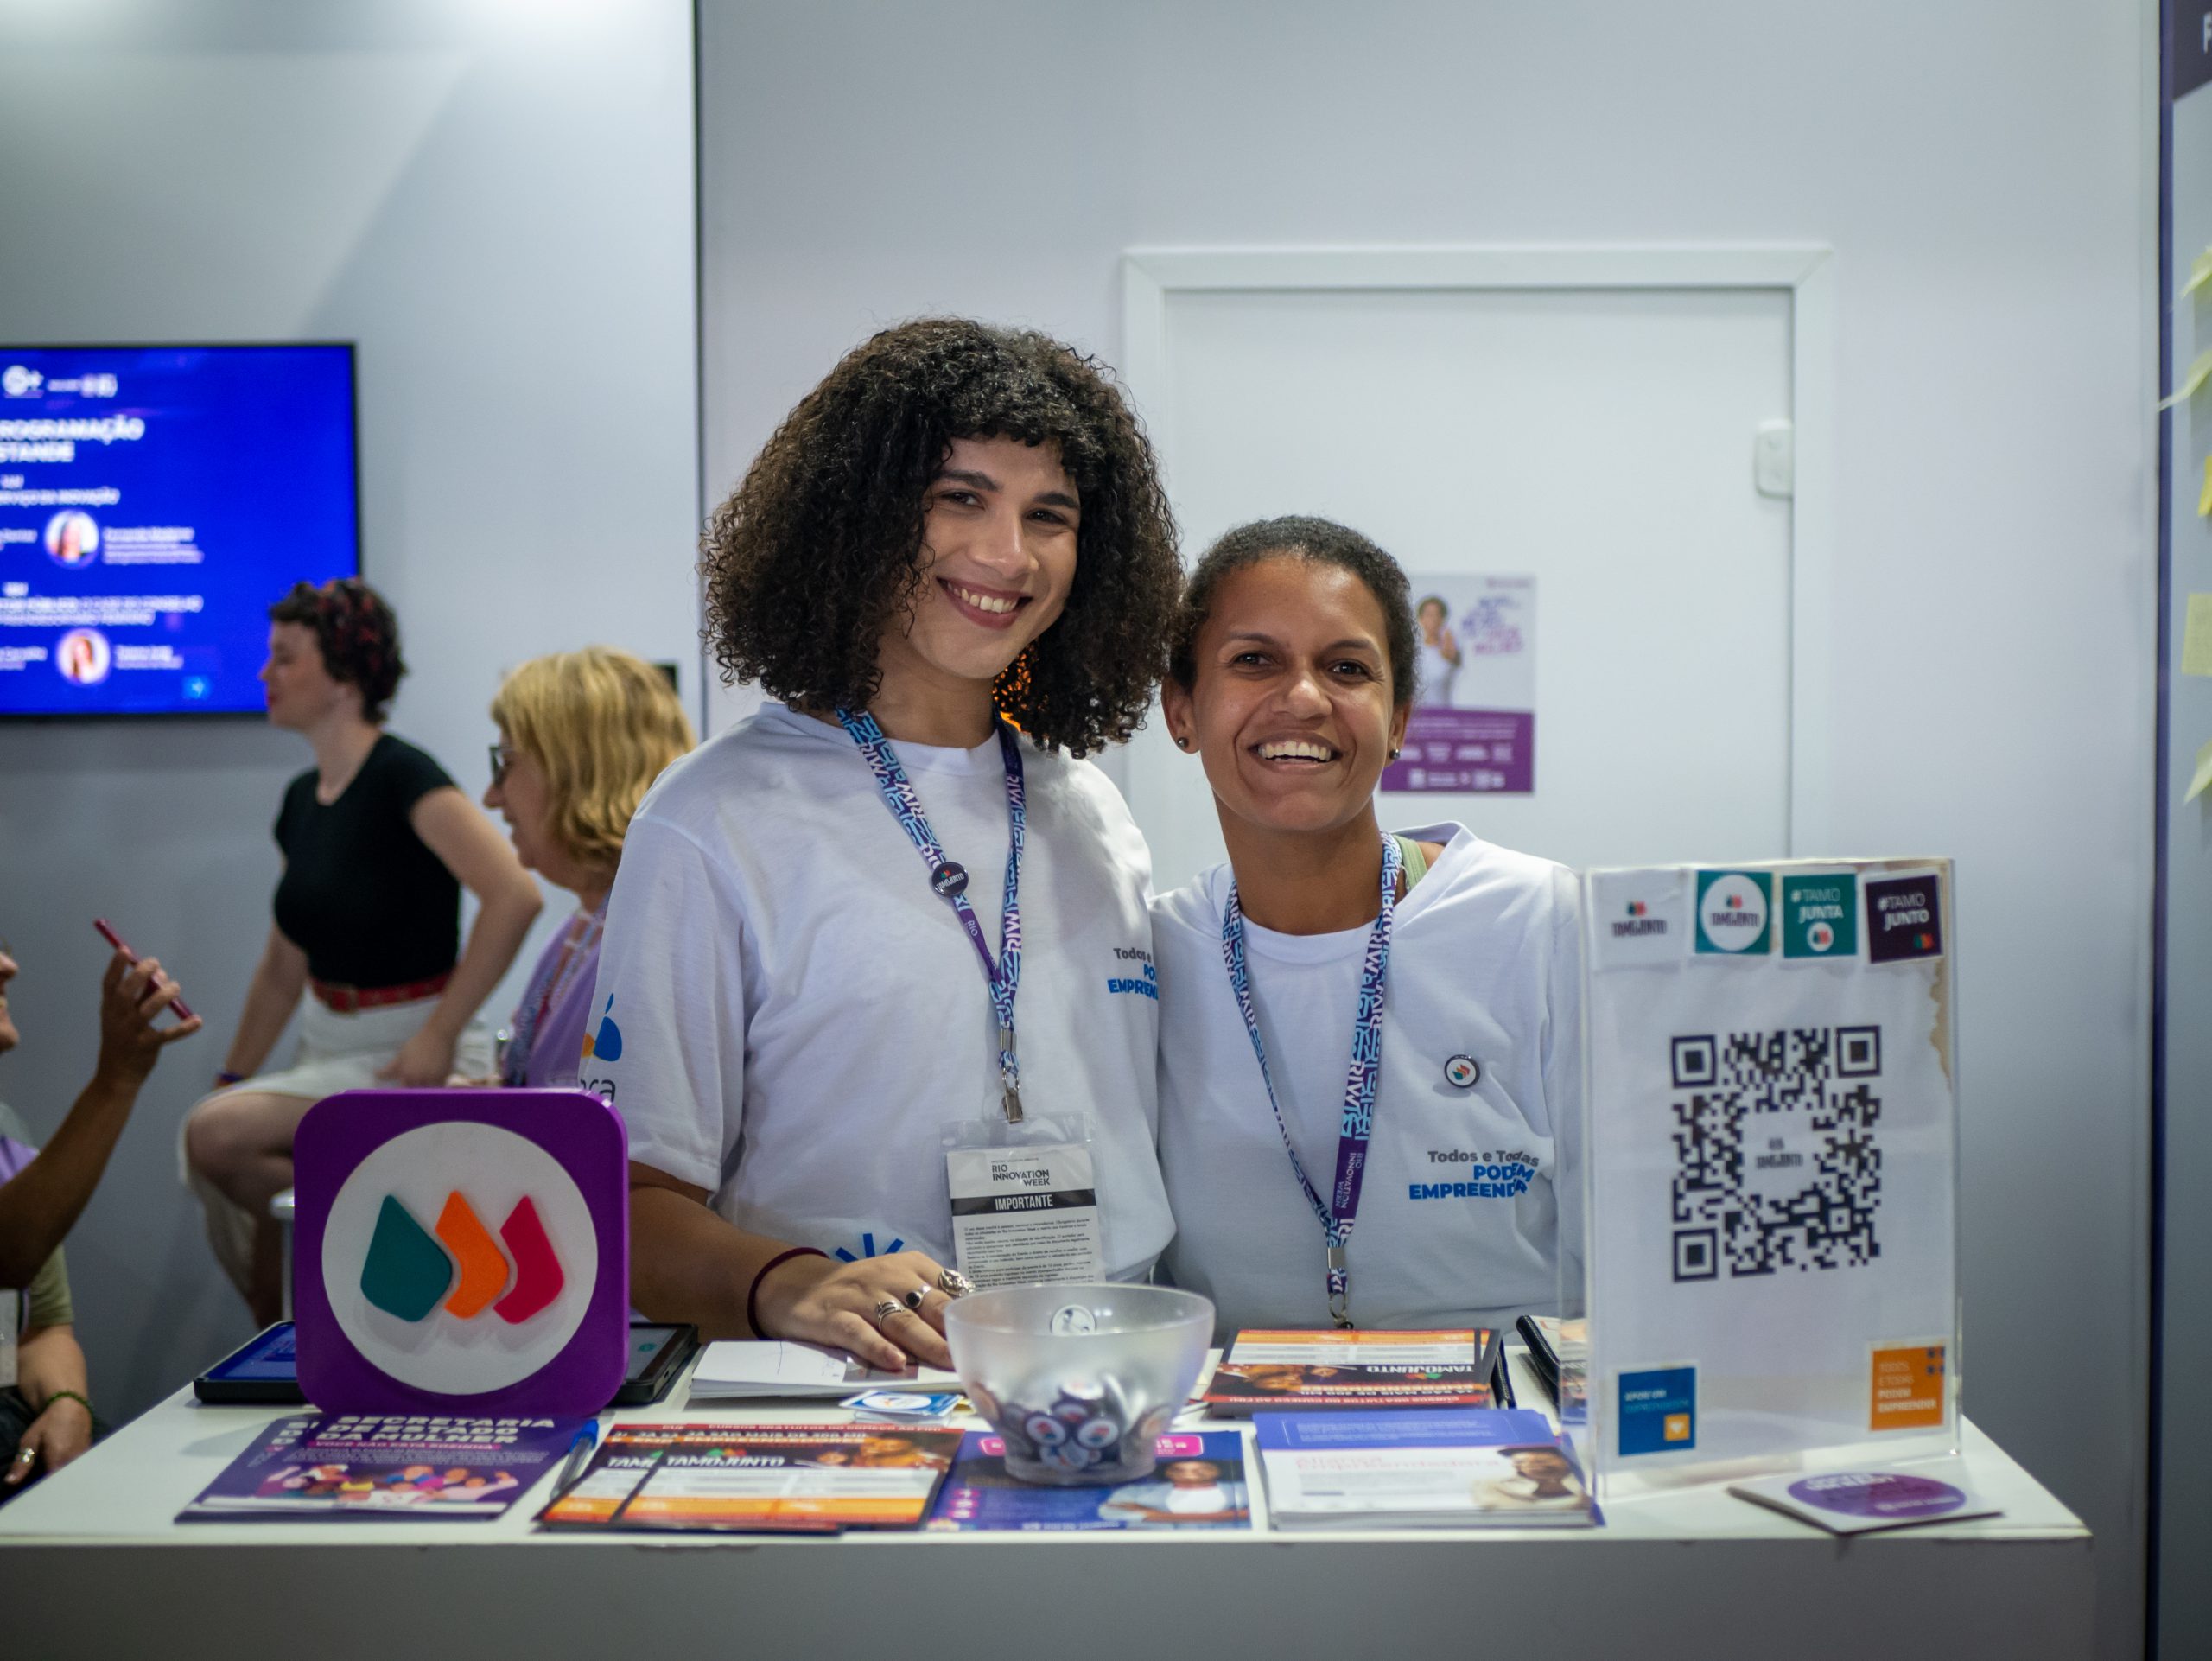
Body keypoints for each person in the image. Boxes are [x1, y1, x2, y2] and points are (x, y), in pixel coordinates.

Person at [592, 317, 1180, 1370]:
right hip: (847, 1397)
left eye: (1048, 514)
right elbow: (626, 1204)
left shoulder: (1091, 811)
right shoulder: (713, 817)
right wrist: (788, 1283)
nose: (1006, 553)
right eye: (960, 497)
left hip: (1102, 1379)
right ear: (858, 516)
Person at [1153, 517, 1580, 1339]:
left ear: (1398, 723)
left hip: (1508, 1429)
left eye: (1347, 668)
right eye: (1254, 661)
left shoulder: (1539, 920)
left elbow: (1631, 1252)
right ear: (1182, 710)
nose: (1305, 697)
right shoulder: (1153, 954)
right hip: (1243, 1433)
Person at [182, 578, 542, 1322]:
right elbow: (284, 965)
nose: (264, 675)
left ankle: (361, 1262)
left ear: (344, 675)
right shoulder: (300, 798)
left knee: (212, 1138)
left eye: (284, 659)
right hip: (329, 1043)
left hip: (410, 1049)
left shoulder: (403, 776)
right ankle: (336, 1289)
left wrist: (437, 1036)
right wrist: (235, 1071)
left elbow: (514, 895)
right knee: (227, 1168)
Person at [0, 939, 197, 1494]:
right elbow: (8, 1255)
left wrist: (67, 1403)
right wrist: (118, 1078)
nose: (9, 965)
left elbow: (41, 1329)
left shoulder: (5, 1132)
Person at [479, 648, 695, 1088]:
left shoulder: (653, 942)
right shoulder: (587, 926)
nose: (491, 797)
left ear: (578, 773)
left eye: (506, 764)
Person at [1414, 595, 1459, 706]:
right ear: (1421, 619)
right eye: (1429, 615)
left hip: (1444, 713)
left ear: (1443, 619)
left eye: (1438, 615)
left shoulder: (1450, 649)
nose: (1434, 619)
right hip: (1418, 714)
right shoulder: (1413, 652)